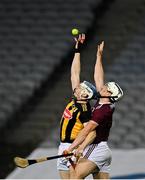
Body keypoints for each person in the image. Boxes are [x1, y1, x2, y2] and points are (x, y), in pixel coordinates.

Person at [65, 41, 124, 179]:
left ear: (110, 95)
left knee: (75, 176)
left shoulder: (102, 111)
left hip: (97, 148)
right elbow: (98, 77)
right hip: (103, 150)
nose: (103, 86)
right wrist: (99, 56)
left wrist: (73, 147)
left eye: (107, 88)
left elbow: (87, 130)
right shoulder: (102, 102)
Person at [57, 34, 98, 179]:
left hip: (71, 148)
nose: (77, 87)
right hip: (63, 147)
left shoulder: (84, 109)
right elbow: (74, 73)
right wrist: (77, 50)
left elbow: (92, 133)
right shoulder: (76, 99)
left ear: (85, 95)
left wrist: (77, 149)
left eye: (81, 88)